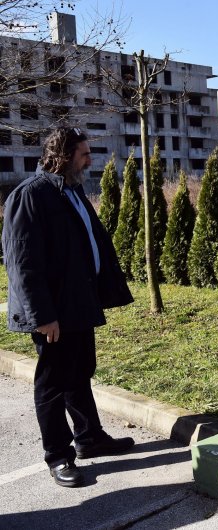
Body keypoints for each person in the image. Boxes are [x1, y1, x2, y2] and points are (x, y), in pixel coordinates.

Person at [2, 127, 135, 487]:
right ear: (62, 155)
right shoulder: (30, 196)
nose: (90, 159)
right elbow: (22, 263)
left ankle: (90, 437)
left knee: (80, 372)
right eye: (83, 153)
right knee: (53, 384)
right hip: (54, 312)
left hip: (78, 302)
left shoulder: (71, 190)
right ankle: (59, 456)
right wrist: (42, 316)